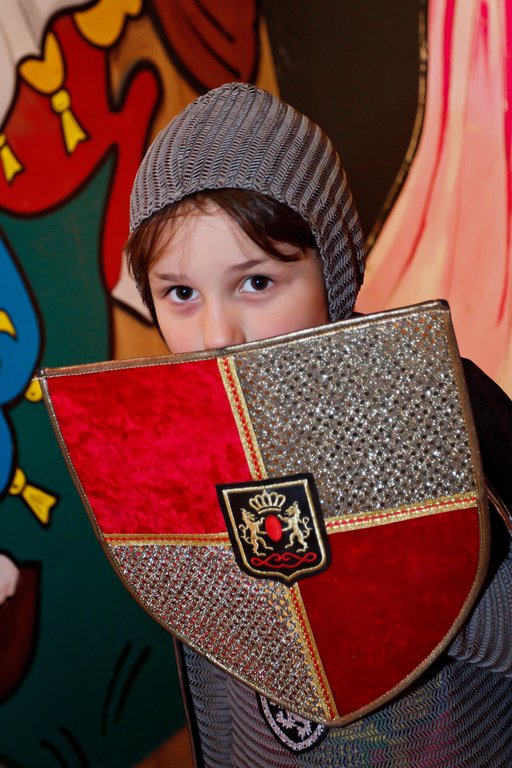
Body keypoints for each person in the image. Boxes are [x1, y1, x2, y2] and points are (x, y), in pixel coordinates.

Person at [126, 83, 512, 767]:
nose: (219, 334)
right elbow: (211, 659)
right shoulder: (181, 438)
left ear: (330, 270)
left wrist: (417, 563)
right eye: (180, 294)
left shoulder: (436, 399)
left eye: (256, 283)